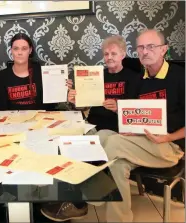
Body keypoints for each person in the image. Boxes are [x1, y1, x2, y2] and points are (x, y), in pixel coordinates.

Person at [40, 35, 142, 222]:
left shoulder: (134, 78)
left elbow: (139, 111)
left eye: (113, 53)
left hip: (117, 131)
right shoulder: (97, 75)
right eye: (106, 53)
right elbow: (83, 106)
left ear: (123, 54)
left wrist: (119, 106)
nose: (109, 57)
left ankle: (81, 203)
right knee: (62, 141)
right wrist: (74, 99)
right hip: (92, 125)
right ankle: (71, 199)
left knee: (96, 141)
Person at [98, 29, 185, 222]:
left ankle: (84, 200)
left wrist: (167, 137)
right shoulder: (139, 79)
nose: (145, 51)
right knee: (103, 138)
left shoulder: (180, 77)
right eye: (141, 47)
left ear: (164, 50)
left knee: (112, 144)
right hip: (142, 141)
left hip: (170, 146)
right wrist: (128, 125)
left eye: (151, 46)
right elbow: (132, 114)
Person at [0, 33, 72, 111]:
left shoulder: (43, 73)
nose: (20, 53)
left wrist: (63, 89)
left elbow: (50, 106)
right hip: (13, 121)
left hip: (40, 120)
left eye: (24, 48)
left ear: (30, 50)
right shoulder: (2, 76)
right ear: (11, 50)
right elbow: (2, 109)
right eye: (16, 48)